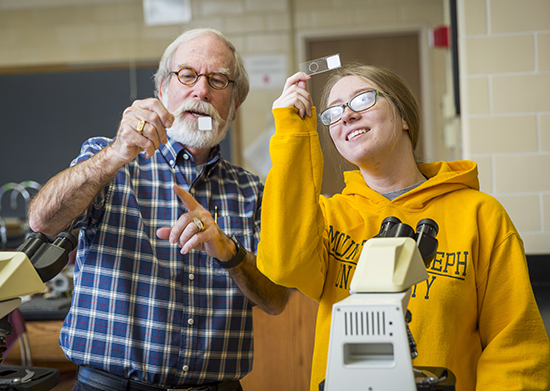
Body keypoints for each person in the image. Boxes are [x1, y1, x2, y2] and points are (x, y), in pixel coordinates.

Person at [256, 63, 550, 391]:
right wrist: (293, 133)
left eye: (362, 99)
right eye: (333, 112)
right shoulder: (329, 217)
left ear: (404, 116)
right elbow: (283, 266)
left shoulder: (480, 216)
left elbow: (514, 349)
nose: (347, 115)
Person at [28, 28, 289, 391]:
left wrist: (227, 251)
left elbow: (276, 300)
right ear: (162, 90)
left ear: (235, 103)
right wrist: (115, 154)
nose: (201, 91)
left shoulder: (252, 191)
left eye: (218, 80)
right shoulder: (110, 161)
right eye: (187, 75)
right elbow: (42, 221)